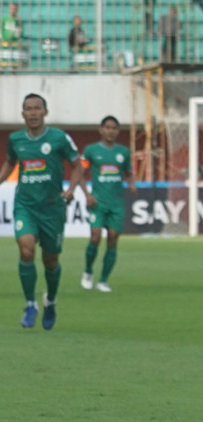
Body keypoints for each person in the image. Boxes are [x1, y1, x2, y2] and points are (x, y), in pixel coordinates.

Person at [0, 93, 84, 329]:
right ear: (23, 113)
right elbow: (10, 161)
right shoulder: (16, 139)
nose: (32, 113)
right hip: (26, 205)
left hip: (52, 208)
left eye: (37, 108)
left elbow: (77, 165)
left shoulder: (58, 138)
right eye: (28, 109)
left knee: (51, 261)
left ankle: (50, 301)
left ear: (45, 112)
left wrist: (71, 190)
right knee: (27, 249)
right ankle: (30, 304)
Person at [80, 116, 135, 293]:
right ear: (101, 130)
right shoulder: (91, 150)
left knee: (113, 239)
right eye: (108, 127)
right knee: (95, 237)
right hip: (98, 201)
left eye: (114, 128)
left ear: (118, 131)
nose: (111, 131)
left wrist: (132, 183)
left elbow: (128, 172)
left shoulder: (124, 152)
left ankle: (103, 280)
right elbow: (80, 173)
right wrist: (87, 194)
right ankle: (88, 271)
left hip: (117, 203)